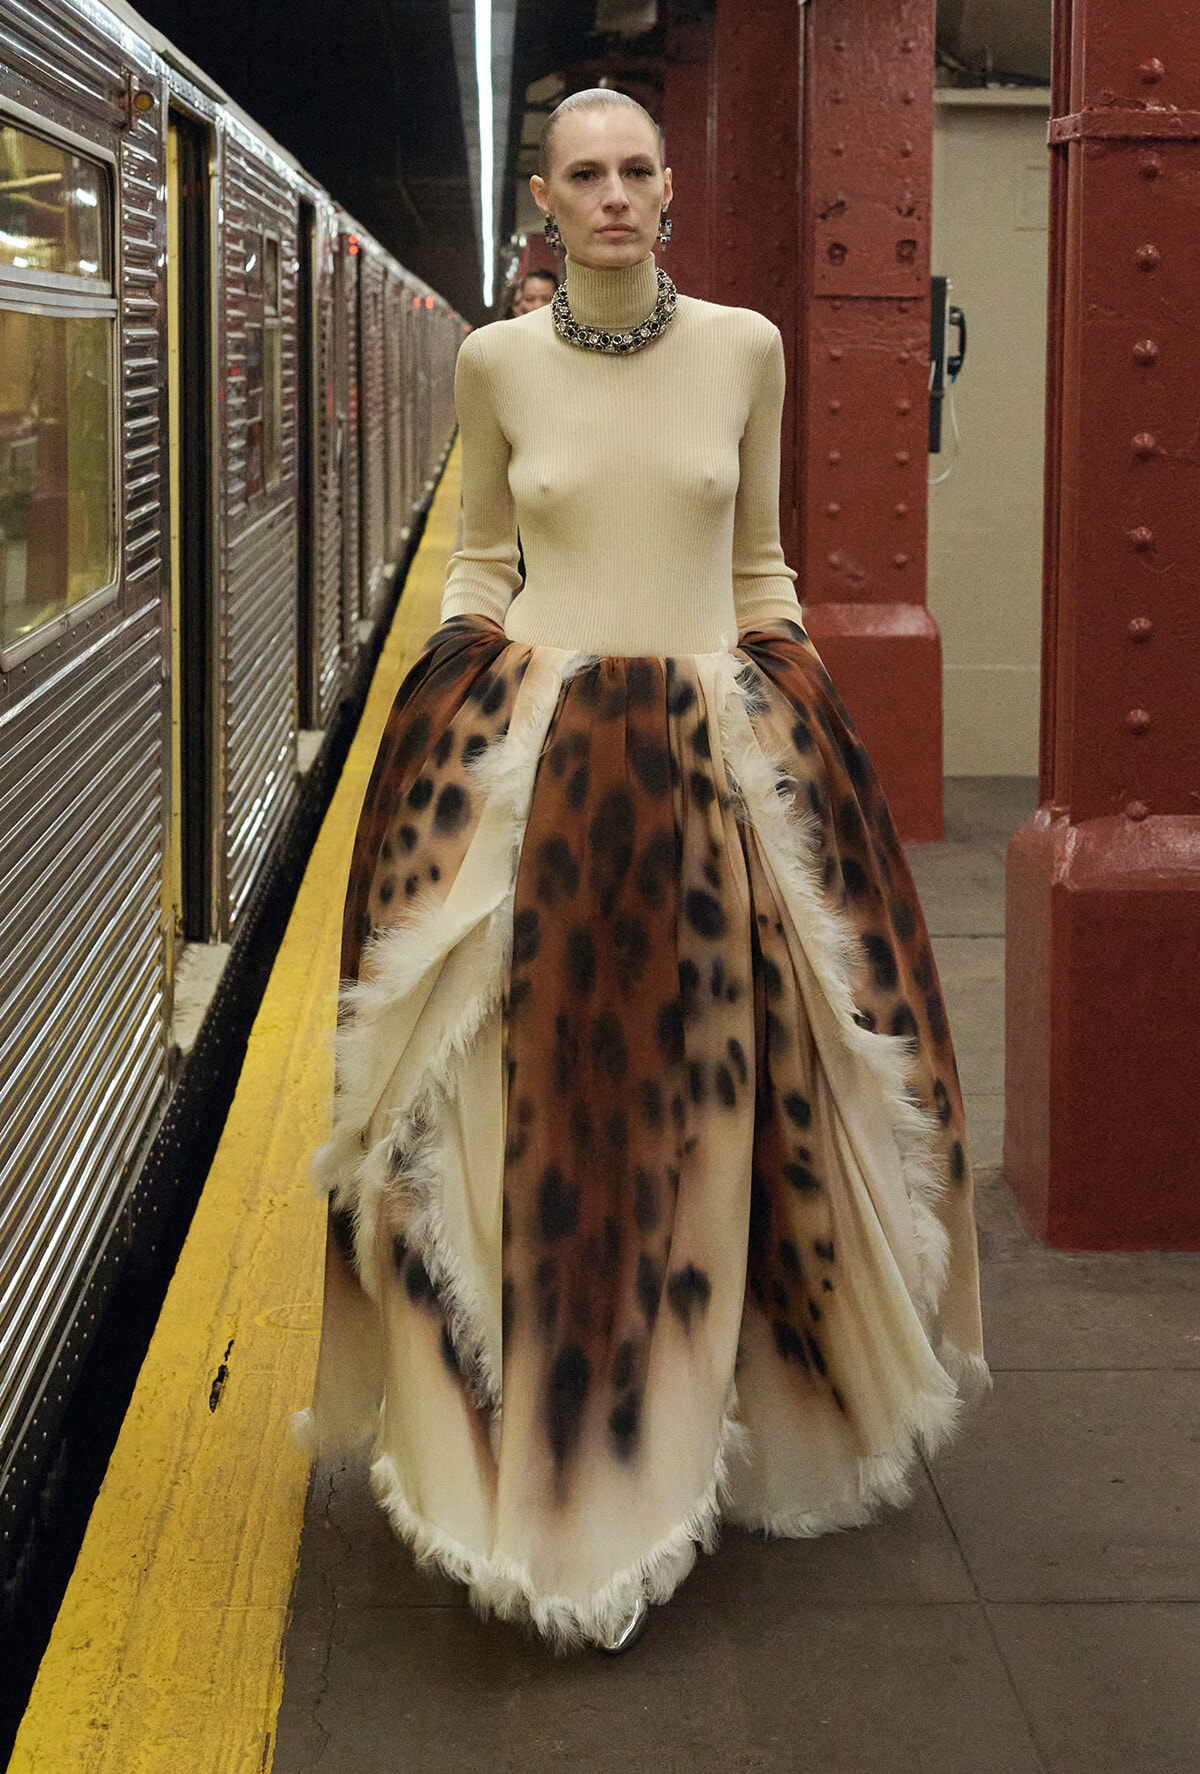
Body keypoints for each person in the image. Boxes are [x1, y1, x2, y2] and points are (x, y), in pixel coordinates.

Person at [301, 87, 987, 1656]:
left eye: (635, 174)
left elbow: (756, 567)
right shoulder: (493, 364)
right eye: (583, 177)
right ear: (545, 203)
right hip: (531, 769)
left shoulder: (745, 347)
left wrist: (798, 730)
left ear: (671, 190)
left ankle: (671, 1448)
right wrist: (451, 697)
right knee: (507, 1118)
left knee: (707, 1130)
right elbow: (484, 553)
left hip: (705, 770)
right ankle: (530, 1468)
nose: (613, 197)